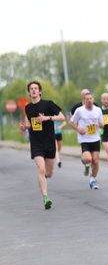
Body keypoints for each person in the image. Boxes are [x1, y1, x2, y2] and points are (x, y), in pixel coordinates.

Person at [19, 81, 65, 209]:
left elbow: (62, 117)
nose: (33, 90)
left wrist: (48, 118)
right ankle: (46, 198)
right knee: (41, 169)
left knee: (48, 173)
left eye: (36, 88)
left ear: (40, 91)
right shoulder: (28, 108)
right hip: (36, 143)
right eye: (31, 89)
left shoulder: (48, 104)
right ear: (29, 92)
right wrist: (24, 127)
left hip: (49, 142)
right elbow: (29, 124)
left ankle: (43, 179)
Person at [69, 91, 104, 189]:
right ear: (84, 100)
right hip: (84, 139)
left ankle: (93, 179)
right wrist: (78, 129)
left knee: (96, 161)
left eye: (90, 99)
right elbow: (71, 122)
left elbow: (101, 123)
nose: (89, 101)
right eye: (87, 99)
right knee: (88, 159)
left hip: (95, 138)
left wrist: (101, 125)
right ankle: (84, 161)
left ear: (93, 99)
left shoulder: (98, 110)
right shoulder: (79, 111)